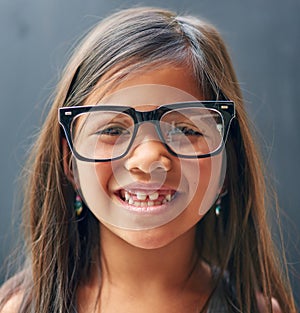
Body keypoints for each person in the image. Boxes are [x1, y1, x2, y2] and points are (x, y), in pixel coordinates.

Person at [0, 6, 297, 313]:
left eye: (184, 129)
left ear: (227, 161)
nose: (149, 158)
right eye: (113, 129)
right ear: (69, 161)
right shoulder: (21, 308)